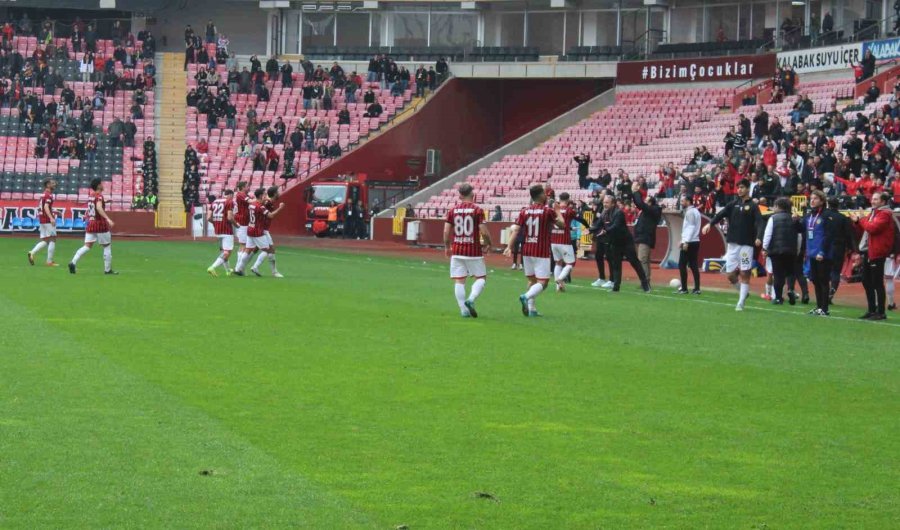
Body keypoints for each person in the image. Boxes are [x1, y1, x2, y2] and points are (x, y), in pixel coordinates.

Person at [503, 184, 565, 317]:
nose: (546, 196)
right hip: (541, 251)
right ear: (541, 195)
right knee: (543, 282)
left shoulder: (524, 211)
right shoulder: (547, 211)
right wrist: (558, 211)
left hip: (527, 250)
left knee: (532, 281)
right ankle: (525, 297)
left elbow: (516, 230)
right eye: (544, 193)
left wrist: (509, 247)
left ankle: (532, 309)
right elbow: (562, 224)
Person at [703, 179, 764, 311]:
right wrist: (710, 224)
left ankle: (741, 302)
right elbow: (720, 214)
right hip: (732, 245)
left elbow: (760, 222)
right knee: (730, 275)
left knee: (745, 272)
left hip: (746, 245)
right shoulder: (733, 204)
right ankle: (743, 291)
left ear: (748, 188)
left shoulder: (753, 206)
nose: (739, 190)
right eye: (738, 188)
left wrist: (759, 237)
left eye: (742, 187)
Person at [443, 183, 492, 318]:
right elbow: (484, 232)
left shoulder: (452, 210)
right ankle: (471, 299)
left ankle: (463, 310)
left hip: (457, 250)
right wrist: (488, 243)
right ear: (472, 194)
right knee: (481, 278)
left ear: (460, 195)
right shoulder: (477, 210)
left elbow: (446, 231)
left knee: (459, 280)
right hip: (473, 250)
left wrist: (447, 247)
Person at [850, 191, 894, 320]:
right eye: (872, 199)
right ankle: (872, 309)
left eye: (876, 199)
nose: (872, 201)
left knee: (877, 283)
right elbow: (866, 228)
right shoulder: (875, 213)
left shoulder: (885, 214)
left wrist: (861, 219)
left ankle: (880, 312)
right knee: (866, 281)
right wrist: (857, 222)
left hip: (877, 251)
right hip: (869, 250)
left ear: (883, 201)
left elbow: (872, 228)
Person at [597, 194, 651, 293]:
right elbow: (598, 224)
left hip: (626, 242)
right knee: (616, 265)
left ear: (613, 204)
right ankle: (616, 287)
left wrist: (605, 231)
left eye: (607, 202)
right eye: (604, 202)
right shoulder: (604, 213)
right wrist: (590, 229)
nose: (604, 204)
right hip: (615, 242)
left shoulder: (619, 213)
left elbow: (616, 226)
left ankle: (645, 284)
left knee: (634, 262)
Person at [69, 178, 116, 275]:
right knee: (107, 246)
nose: (102, 185)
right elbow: (98, 207)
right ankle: (107, 270)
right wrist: (108, 219)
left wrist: (105, 202)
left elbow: (94, 205)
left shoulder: (91, 196)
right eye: (101, 183)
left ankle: (73, 262)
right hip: (100, 224)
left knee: (87, 246)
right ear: (98, 186)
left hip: (91, 223)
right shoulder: (99, 196)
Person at [801, 190, 837, 315]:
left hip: (823, 254)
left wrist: (822, 251)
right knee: (815, 280)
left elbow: (828, 235)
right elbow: (802, 229)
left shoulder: (826, 215)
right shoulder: (809, 215)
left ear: (822, 201)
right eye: (811, 198)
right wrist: (795, 221)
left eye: (815, 198)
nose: (812, 201)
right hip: (812, 252)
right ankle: (818, 306)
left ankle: (824, 309)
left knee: (823, 281)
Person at [550, 192, 589, 292]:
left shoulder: (553, 211)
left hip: (553, 240)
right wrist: (588, 226)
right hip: (564, 241)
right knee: (570, 263)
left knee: (558, 263)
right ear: (568, 200)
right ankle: (560, 279)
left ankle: (558, 287)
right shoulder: (569, 211)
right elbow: (580, 219)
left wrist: (570, 227)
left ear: (559, 199)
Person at [248, 186, 285, 277]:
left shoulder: (269, 202)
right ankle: (273, 272)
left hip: (261, 229)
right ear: (275, 194)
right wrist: (280, 208)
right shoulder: (267, 202)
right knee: (270, 250)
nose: (279, 193)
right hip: (262, 229)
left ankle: (242, 267)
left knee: (256, 249)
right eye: (278, 192)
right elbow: (264, 210)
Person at [631, 182, 662, 283]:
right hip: (641, 237)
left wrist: (636, 192)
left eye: (646, 201)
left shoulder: (653, 210)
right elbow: (639, 203)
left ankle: (644, 280)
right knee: (644, 260)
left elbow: (640, 204)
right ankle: (646, 280)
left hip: (646, 237)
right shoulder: (649, 210)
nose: (644, 202)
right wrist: (634, 193)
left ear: (650, 203)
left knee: (642, 259)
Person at [826, 197, 854, 302]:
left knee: (824, 270)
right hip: (839, 247)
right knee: (836, 271)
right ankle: (832, 291)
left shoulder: (824, 216)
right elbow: (848, 234)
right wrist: (850, 247)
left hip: (825, 246)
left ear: (828, 204)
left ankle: (824, 293)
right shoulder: (843, 218)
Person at [27, 178, 59, 267]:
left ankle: (32, 252)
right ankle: (49, 261)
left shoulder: (43, 194)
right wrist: (51, 218)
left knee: (45, 240)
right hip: (47, 220)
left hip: (42, 219)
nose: (54, 184)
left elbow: (44, 206)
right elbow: (45, 207)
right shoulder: (48, 195)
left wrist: (54, 210)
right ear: (47, 185)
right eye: (52, 183)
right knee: (52, 239)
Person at [206, 190, 236, 276]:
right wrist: (236, 225)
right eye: (233, 196)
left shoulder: (214, 202)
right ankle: (212, 267)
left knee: (224, 251)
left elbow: (208, 218)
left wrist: (215, 223)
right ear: (230, 195)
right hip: (227, 230)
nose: (233, 198)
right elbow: (230, 218)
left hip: (218, 230)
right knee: (227, 252)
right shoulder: (229, 202)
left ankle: (228, 270)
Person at [677, 194, 701, 294]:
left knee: (682, 264)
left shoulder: (690, 212)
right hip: (695, 241)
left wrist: (685, 241)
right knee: (693, 264)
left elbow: (690, 227)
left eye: (683, 201)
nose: (681, 203)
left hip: (690, 241)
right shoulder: (695, 211)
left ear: (688, 201)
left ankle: (684, 288)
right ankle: (697, 288)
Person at [231, 182, 251, 275]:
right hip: (242, 222)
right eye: (247, 186)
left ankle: (239, 268)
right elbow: (251, 201)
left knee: (243, 245)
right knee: (243, 245)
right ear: (243, 187)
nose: (248, 187)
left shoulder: (242, 195)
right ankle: (238, 268)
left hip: (244, 221)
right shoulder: (241, 195)